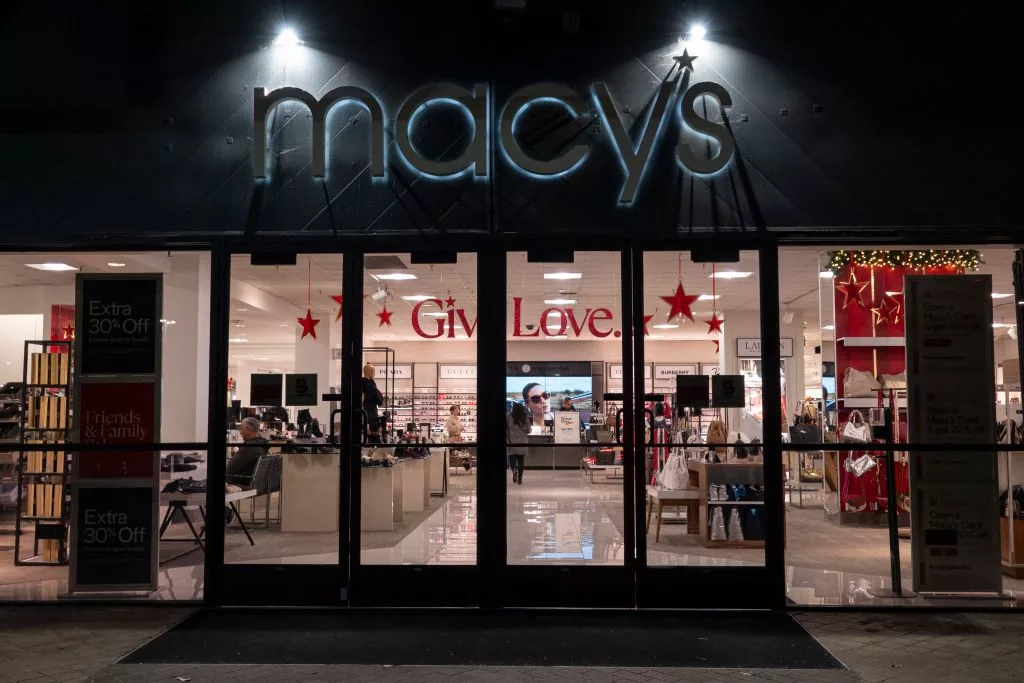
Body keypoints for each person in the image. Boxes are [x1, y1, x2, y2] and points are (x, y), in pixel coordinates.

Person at [506, 402, 531, 485]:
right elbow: (528, 430)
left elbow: (506, 429)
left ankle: (514, 470)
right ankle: (520, 478)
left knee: (512, 458)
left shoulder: (509, 416)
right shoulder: (525, 417)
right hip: (523, 442)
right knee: (521, 461)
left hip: (512, 441)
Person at [362, 364, 384, 442]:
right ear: (368, 371)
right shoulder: (368, 384)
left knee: (371, 429)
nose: (374, 373)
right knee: (370, 430)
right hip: (369, 410)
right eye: (373, 371)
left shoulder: (369, 382)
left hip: (370, 410)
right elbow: (378, 397)